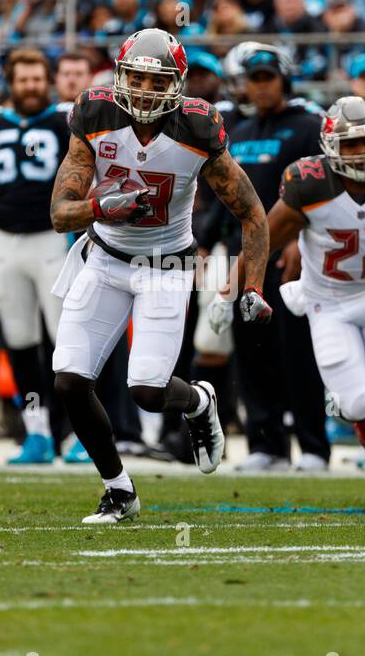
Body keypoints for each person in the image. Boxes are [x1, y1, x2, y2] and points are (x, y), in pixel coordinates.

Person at [48, 27, 271, 524]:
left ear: (178, 84)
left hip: (167, 265)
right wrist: (103, 207)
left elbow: (253, 214)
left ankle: (198, 399)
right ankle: (119, 490)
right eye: (137, 79)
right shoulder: (95, 113)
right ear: (120, 76)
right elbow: (61, 214)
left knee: (147, 391)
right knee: (67, 381)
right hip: (105, 258)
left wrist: (252, 286)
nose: (146, 91)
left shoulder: (197, 128)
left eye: (158, 82)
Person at [223, 95, 365, 499]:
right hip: (327, 302)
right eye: (351, 144)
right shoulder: (309, 184)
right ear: (330, 146)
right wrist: (228, 293)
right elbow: (260, 240)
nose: (361, 152)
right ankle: (362, 417)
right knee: (356, 403)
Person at [0, 50, 71, 464]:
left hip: (53, 242)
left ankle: (75, 435)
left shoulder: (65, 120)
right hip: (6, 243)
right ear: (11, 82)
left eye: (38, 79)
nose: (32, 86)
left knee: (67, 344)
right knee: (20, 345)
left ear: (48, 80)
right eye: (24, 80)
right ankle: (36, 432)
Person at [220, 44, 330, 472]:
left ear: (284, 79)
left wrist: (297, 242)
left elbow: (319, 192)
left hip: (289, 256)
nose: (261, 87)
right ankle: (265, 444)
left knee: (297, 352)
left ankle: (314, 445)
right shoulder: (240, 131)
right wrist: (209, 241)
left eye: (268, 78)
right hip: (244, 255)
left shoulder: (306, 127)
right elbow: (222, 197)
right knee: (251, 351)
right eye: (255, 79)